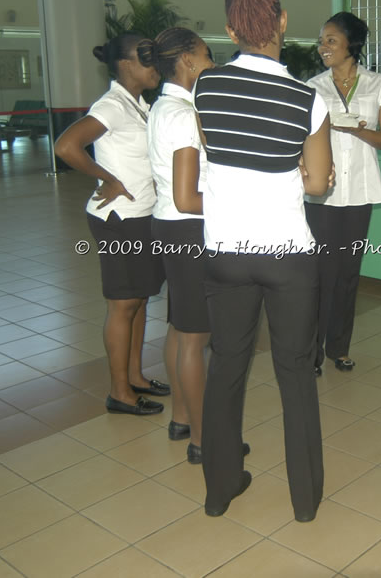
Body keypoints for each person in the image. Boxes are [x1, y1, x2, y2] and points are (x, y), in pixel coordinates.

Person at [194, 0, 332, 520]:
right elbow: (319, 184)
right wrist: (304, 170)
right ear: (282, 22)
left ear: (230, 29)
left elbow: (217, 152)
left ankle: (220, 489)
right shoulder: (307, 98)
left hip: (226, 249)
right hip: (286, 254)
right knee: (295, 371)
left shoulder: (206, 87)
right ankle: (304, 500)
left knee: (226, 364)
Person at [54, 33, 169, 416]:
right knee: (123, 305)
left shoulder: (138, 104)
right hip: (119, 221)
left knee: (138, 300)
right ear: (126, 64)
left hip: (143, 215)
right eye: (148, 59)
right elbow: (67, 146)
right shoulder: (112, 105)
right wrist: (107, 178)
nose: (156, 67)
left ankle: (135, 377)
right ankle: (119, 392)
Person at [139, 28, 223, 464]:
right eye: (207, 55)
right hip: (190, 231)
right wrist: (237, 202)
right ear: (188, 61)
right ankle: (204, 441)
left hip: (169, 228)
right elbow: (189, 197)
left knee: (179, 327)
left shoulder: (164, 107)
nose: (212, 62)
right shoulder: (185, 116)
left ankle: (182, 419)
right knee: (196, 337)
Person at [305, 12, 381, 376]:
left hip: (359, 190)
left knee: (347, 274)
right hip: (322, 192)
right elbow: (303, 137)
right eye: (322, 41)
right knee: (320, 274)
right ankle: (311, 351)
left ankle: (338, 348)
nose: (323, 47)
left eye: (330, 40)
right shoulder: (313, 86)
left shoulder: (379, 85)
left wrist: (357, 131)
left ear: (351, 45)